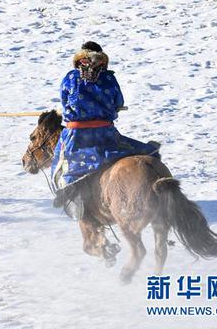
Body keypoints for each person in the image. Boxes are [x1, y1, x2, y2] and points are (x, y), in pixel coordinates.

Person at [50, 41, 160, 219]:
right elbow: (118, 101)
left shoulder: (70, 77)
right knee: (135, 150)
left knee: (62, 161)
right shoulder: (109, 78)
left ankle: (68, 191)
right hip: (105, 134)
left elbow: (64, 100)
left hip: (77, 135)